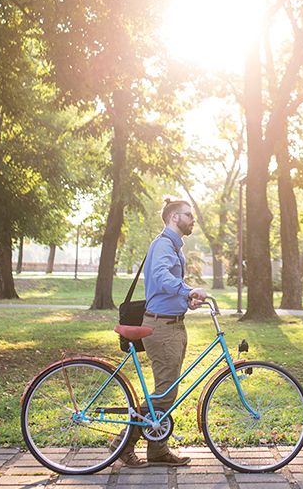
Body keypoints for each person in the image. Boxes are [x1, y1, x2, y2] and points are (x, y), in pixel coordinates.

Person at [118, 198, 207, 468]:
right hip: (162, 328)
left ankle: (157, 450)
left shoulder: (172, 246)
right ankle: (123, 443)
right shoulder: (164, 245)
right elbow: (162, 276)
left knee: (166, 392)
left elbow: (165, 285)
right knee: (164, 393)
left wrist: (185, 301)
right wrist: (187, 290)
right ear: (173, 218)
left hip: (172, 324)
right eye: (188, 215)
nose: (193, 219)